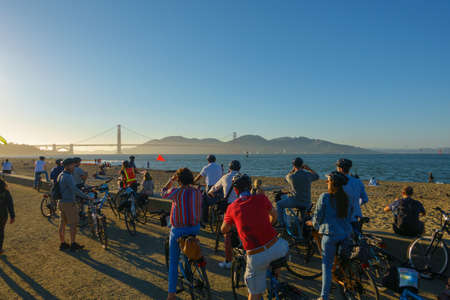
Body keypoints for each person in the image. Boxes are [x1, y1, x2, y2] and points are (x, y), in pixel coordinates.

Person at [221, 174, 288, 300]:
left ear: (235, 190)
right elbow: (274, 217)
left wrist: (235, 225)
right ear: (250, 187)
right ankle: (275, 281)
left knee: (254, 293)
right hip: (278, 246)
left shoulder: (232, 207)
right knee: (278, 254)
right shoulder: (262, 198)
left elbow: (224, 229)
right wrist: (266, 223)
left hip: (256, 254)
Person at [309, 171, 353, 300]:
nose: (326, 182)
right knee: (341, 262)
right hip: (345, 233)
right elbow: (348, 217)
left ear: (332, 183)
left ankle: (324, 296)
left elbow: (318, 217)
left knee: (326, 266)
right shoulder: (347, 198)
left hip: (330, 235)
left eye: (328, 181)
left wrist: (314, 225)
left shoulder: (325, 197)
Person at [161, 168, 202, 300]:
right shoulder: (197, 192)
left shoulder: (176, 192)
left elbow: (163, 193)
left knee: (173, 262)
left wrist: (170, 180)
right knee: (189, 247)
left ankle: (171, 295)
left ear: (179, 180)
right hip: (195, 228)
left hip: (179, 230)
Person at [208, 160, 241, 269]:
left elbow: (212, 190)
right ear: (239, 168)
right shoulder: (243, 177)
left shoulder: (225, 177)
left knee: (227, 233)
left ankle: (228, 261)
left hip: (230, 209)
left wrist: (214, 196)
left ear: (229, 168)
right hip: (242, 207)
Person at [58, 158, 93, 251]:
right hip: (69, 203)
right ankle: (73, 244)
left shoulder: (61, 174)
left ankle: (62, 243)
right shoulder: (68, 176)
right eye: (73, 165)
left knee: (63, 223)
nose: (74, 166)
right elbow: (75, 190)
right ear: (68, 166)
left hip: (61, 202)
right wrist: (87, 197)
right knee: (73, 224)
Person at [276, 157, 319, 230]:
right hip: (306, 202)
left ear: (294, 166)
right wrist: (309, 169)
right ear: (302, 165)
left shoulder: (291, 176)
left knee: (279, 204)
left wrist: (292, 170)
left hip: (295, 201)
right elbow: (317, 176)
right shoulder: (308, 175)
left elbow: (285, 178)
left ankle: (281, 224)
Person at [335, 158, 369, 234]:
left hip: (342, 216)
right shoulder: (358, 181)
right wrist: (356, 203)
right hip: (356, 214)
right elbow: (365, 199)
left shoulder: (338, 181)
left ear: (339, 169)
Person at [194, 155, 223, 225]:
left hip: (210, 188)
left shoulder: (206, 167)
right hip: (219, 188)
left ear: (208, 161)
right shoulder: (219, 167)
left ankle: (204, 220)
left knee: (204, 202)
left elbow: (199, 177)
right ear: (215, 160)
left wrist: (193, 181)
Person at [0, 178, 15, 254]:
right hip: (2, 214)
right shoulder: (5, 191)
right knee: (1, 231)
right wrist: (12, 216)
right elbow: (10, 204)